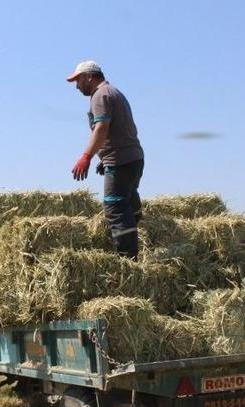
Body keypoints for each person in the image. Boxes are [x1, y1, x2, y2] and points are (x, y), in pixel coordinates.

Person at [67, 60, 144, 259]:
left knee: (115, 207)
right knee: (127, 202)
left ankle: (128, 261)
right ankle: (138, 239)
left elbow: (102, 129)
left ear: (89, 77)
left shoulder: (100, 95)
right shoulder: (113, 92)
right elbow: (119, 131)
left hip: (121, 161)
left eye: (78, 80)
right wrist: (104, 156)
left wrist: (86, 156)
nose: (77, 86)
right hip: (132, 157)